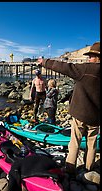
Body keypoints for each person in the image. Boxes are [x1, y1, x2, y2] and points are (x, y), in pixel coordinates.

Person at [38, 42, 100, 174]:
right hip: (96, 117)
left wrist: (45, 62)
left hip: (80, 114)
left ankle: (70, 169)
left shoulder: (86, 69)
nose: (89, 59)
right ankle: (89, 170)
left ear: (98, 57)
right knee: (92, 145)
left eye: (91, 56)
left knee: (75, 142)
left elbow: (64, 67)